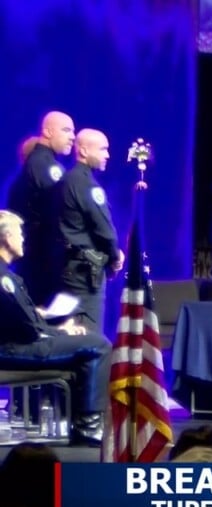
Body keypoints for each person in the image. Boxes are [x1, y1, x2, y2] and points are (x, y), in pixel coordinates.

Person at [0, 210, 111, 446]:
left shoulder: (8, 276)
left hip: (16, 343)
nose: (23, 238)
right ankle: (89, 426)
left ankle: (80, 420)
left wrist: (54, 328)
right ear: (7, 238)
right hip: (13, 349)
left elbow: (25, 319)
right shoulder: (4, 279)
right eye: (19, 233)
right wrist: (61, 332)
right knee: (98, 345)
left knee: (85, 349)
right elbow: (28, 328)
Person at [55, 128, 124, 333]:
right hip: (84, 273)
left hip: (70, 267)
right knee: (90, 337)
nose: (108, 155)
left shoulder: (67, 180)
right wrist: (115, 256)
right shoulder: (85, 185)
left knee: (74, 330)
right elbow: (104, 230)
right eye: (103, 149)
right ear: (84, 151)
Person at [6, 111, 76, 306]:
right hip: (43, 261)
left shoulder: (38, 163)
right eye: (66, 130)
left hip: (37, 259)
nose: (72, 136)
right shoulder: (43, 165)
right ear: (48, 131)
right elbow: (64, 207)